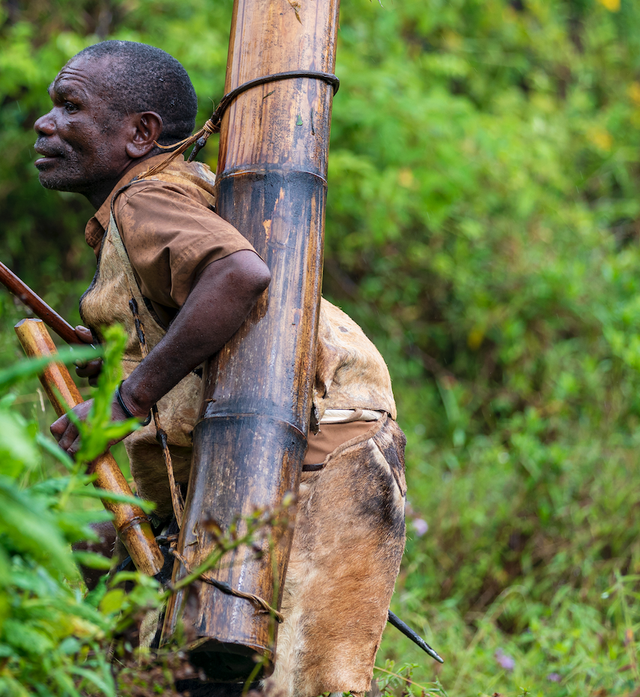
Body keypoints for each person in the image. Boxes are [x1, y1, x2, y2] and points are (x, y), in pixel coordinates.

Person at [35, 40, 407, 697]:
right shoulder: (157, 196)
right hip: (285, 441)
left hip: (326, 440)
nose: (46, 124)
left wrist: (127, 399)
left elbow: (238, 276)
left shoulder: (144, 200)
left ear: (140, 134)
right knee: (184, 650)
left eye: (70, 107)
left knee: (309, 677)